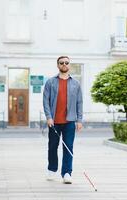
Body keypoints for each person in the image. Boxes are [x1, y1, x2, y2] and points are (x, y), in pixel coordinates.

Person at [43, 56, 83, 184]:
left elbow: (79, 103)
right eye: (61, 63)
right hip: (54, 122)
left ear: (69, 65)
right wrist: (49, 117)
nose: (64, 64)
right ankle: (52, 169)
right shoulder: (50, 82)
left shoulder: (76, 83)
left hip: (70, 121)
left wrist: (79, 120)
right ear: (58, 65)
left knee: (68, 147)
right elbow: (46, 101)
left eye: (66, 63)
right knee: (53, 146)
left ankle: (67, 173)